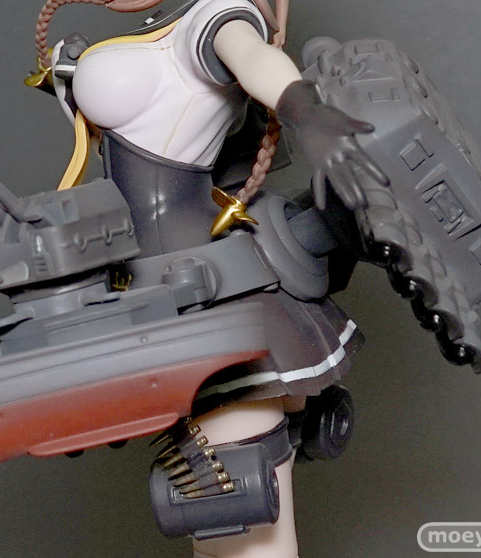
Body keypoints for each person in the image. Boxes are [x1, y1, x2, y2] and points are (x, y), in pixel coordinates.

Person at [30, 1, 388, 556]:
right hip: (156, 292)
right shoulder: (172, 21)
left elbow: (252, 58)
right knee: (226, 537)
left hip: (203, 300)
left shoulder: (219, 15)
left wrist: (303, 108)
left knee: (241, 536)